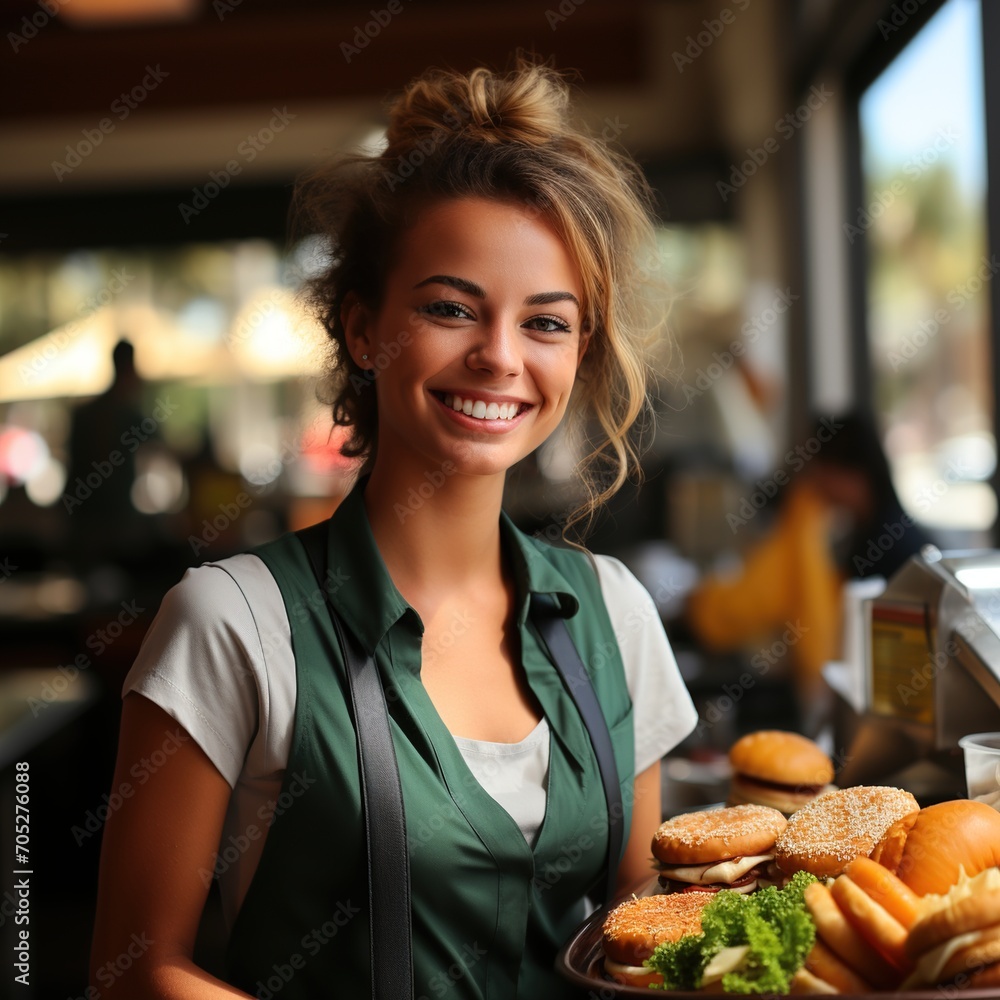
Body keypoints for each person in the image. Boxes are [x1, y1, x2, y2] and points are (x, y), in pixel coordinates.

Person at [89, 59, 698, 999]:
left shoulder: (615, 613)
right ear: (365, 328)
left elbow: (640, 925)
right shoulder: (232, 624)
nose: (499, 355)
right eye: (451, 308)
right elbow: (135, 972)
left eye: (546, 323)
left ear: (579, 351)